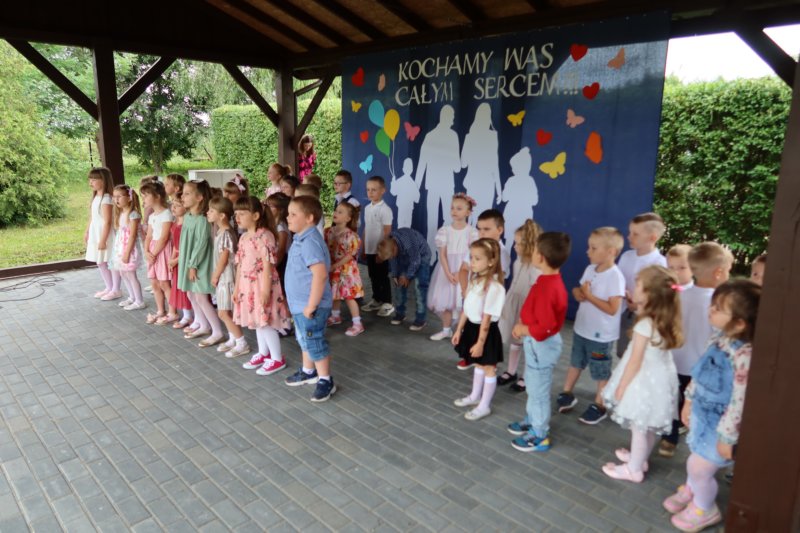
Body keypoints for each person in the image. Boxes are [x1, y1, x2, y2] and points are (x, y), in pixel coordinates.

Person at [664, 280, 760, 532]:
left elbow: (740, 401)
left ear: (739, 323)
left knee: (699, 467)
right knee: (696, 456)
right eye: (713, 304)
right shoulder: (717, 338)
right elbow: (699, 372)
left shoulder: (744, 355)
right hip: (701, 414)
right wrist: (689, 401)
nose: (711, 310)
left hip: (721, 425)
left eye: (718, 308)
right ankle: (693, 489)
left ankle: (704, 508)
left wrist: (727, 438)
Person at [601, 265, 683, 482]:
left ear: (650, 294)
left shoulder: (645, 324)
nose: (634, 286)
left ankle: (633, 470)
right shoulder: (664, 318)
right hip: (661, 380)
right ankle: (640, 458)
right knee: (649, 426)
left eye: (638, 284)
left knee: (639, 428)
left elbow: (635, 360)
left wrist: (621, 386)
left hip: (642, 380)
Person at [659, 242, 733, 458]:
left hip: (674, 358)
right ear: (718, 272)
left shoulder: (680, 294)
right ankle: (696, 442)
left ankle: (669, 438)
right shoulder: (719, 303)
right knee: (692, 402)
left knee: (672, 399)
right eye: (728, 270)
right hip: (700, 367)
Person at [507, 232, 571, 452]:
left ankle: (539, 434)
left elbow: (544, 328)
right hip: (536, 344)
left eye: (534, 250)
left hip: (541, 345)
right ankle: (532, 419)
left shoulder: (548, 287)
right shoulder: (547, 280)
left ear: (541, 257)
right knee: (533, 387)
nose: (531, 253)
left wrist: (523, 328)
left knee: (538, 392)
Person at [557, 227, 626, 425]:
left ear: (611, 251)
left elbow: (613, 308)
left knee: (600, 370)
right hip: (582, 329)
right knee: (575, 361)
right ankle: (567, 392)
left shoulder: (615, 277)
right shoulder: (590, 269)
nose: (588, 252)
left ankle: (600, 404)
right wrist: (578, 293)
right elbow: (580, 290)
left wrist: (589, 296)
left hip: (600, 336)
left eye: (594, 248)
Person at [283, 196, 337, 401]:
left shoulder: (310, 242)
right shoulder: (301, 238)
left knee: (314, 341)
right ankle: (308, 372)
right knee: (305, 339)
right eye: (288, 213)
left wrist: (311, 305)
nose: (288, 217)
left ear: (309, 218)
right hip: (301, 305)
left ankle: (325, 380)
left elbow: (320, 275)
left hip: (311, 306)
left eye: (293, 214)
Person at [235, 197, 292, 375]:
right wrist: (237, 288)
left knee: (265, 322)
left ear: (255, 215)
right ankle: (263, 353)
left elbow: (268, 265)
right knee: (257, 321)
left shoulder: (265, 236)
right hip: (248, 286)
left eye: (242, 213)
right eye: (236, 214)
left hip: (262, 285)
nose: (237, 217)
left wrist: (266, 290)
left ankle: (277, 358)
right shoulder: (243, 237)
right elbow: (240, 264)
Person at [452, 239, 507, 421]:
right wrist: (459, 330)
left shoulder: (494, 287)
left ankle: (484, 406)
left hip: (486, 333)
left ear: (491, 261)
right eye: (471, 258)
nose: (472, 262)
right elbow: (466, 309)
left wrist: (480, 343)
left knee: (489, 368)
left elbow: (487, 319)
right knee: (477, 364)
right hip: (472, 328)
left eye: (477, 259)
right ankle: (475, 396)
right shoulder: (474, 280)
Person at [455, 209, 510, 368]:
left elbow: (498, 279)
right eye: (479, 229)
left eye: (486, 229)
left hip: (486, 302)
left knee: (485, 331)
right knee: (470, 328)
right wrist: (466, 291)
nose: (481, 233)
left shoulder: (502, 254)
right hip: (474, 294)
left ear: (500, 230)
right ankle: (469, 355)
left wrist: (484, 297)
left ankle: (487, 359)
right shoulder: (477, 247)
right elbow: (463, 269)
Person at [497, 220, 542, 392]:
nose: (515, 246)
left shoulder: (536, 267)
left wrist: (527, 315)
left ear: (530, 245)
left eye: (519, 243)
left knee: (528, 344)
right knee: (515, 340)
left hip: (527, 309)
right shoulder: (519, 261)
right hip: (514, 303)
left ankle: (526, 376)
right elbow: (514, 284)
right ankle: (511, 371)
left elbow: (535, 293)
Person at [179, 180, 224, 347]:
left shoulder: (203, 220)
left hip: (200, 263)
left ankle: (217, 331)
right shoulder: (187, 217)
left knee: (201, 296)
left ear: (199, 198)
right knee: (191, 294)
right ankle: (204, 325)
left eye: (187, 194)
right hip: (189, 261)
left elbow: (201, 244)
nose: (182, 197)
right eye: (183, 193)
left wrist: (193, 265)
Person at [428, 193, 479, 342]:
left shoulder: (472, 232)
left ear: (468, 212)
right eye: (452, 208)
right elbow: (442, 255)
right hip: (447, 269)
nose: (454, 211)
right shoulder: (445, 231)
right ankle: (446, 330)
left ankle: (461, 331)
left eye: (459, 208)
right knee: (446, 302)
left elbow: (473, 254)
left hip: (465, 269)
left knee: (463, 301)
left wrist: (461, 272)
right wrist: (448, 273)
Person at [616, 212, 667, 357]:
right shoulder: (626, 256)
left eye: (635, 234)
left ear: (652, 238)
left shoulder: (660, 263)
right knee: (622, 353)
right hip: (624, 313)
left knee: (639, 354)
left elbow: (659, 297)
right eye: (630, 232)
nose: (629, 236)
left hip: (645, 318)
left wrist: (639, 305)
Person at [415, 105, 461, 257]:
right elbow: (457, 167)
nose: (453, 120)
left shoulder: (430, 136)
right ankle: (446, 252)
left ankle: (432, 253)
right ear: (447, 117)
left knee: (432, 219)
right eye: (452, 117)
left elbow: (422, 163)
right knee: (448, 218)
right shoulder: (452, 136)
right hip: (446, 183)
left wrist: (416, 186)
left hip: (433, 184)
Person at [207, 197, 249, 357]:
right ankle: (233, 338)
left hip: (226, 277)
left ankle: (241, 342)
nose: (208, 213)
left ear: (222, 215)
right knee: (225, 312)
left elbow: (224, 259)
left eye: (211, 210)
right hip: (223, 277)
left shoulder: (226, 233)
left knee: (224, 312)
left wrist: (215, 275)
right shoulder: (220, 231)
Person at [376, 228, 431, 332]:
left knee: (419, 288)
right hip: (403, 256)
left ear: (395, 249)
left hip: (421, 256)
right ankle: (400, 314)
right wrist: (395, 276)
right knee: (399, 286)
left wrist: (407, 276)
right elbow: (393, 261)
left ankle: (421, 319)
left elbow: (415, 260)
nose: (391, 258)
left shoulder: (408, 242)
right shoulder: (389, 244)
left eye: (391, 256)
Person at [325, 202, 365, 336]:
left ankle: (357, 323)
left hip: (347, 271)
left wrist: (334, 266)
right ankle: (335, 315)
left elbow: (350, 255)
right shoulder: (328, 232)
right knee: (335, 293)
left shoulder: (352, 236)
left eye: (340, 212)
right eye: (336, 210)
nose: (335, 213)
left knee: (348, 296)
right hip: (333, 269)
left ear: (348, 218)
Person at [141, 180, 176, 324]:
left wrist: (153, 254)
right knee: (154, 283)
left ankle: (172, 312)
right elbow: (149, 236)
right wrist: (146, 251)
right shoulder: (152, 216)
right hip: (152, 251)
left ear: (157, 196)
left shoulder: (166, 214)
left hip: (162, 251)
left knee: (164, 283)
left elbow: (164, 237)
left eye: (146, 195)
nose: (143, 199)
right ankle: (161, 310)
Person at [461, 103, 501, 225]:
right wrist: (499, 190)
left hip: (474, 182)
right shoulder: (492, 136)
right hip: (488, 183)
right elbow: (495, 164)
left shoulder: (470, 137)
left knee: (472, 219)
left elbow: (463, 163)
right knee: (485, 219)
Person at [85, 167, 121, 300]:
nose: (91, 182)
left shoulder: (106, 199)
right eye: (90, 179)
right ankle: (109, 287)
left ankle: (116, 289)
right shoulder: (96, 197)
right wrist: (87, 231)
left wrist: (103, 240)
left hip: (105, 234)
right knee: (100, 261)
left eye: (94, 179)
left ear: (103, 181)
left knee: (111, 261)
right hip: (96, 233)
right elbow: (92, 217)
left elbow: (107, 222)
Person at [361, 176, 395, 318]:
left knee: (382, 276)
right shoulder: (367, 208)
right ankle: (377, 299)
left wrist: (382, 253)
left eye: (374, 190)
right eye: (368, 190)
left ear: (383, 190)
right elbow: (366, 228)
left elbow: (387, 232)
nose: (370, 192)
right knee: (373, 275)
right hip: (369, 249)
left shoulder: (385, 210)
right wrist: (364, 248)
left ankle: (387, 303)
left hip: (380, 251)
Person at [111, 184, 145, 311]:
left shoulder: (133, 215)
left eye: (119, 196)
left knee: (131, 274)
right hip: (121, 248)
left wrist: (127, 253)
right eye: (114, 197)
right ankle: (132, 297)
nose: (116, 199)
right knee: (123, 273)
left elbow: (132, 236)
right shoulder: (121, 213)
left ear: (129, 198)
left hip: (129, 249)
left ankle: (139, 301)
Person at [500, 147, 539, 248]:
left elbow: (504, 197)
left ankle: (510, 257)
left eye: (514, 167)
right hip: (521, 213)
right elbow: (534, 201)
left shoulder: (512, 180)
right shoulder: (530, 181)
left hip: (515, 213)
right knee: (519, 241)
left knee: (512, 240)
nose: (512, 170)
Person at [168, 192, 194, 330]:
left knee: (185, 287)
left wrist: (176, 260)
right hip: (177, 257)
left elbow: (187, 246)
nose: (173, 208)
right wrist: (172, 259)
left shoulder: (187, 223)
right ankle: (186, 314)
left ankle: (190, 315)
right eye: (173, 205)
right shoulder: (175, 222)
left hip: (184, 258)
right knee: (178, 286)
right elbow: (175, 245)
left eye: (177, 205)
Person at [266, 192, 292, 287]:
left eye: (271, 206)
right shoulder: (273, 224)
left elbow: (281, 250)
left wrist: (274, 266)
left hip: (282, 261)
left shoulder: (281, 227)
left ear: (280, 210)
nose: (268, 208)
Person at [390, 158, 419, 229]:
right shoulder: (413, 184)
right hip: (408, 209)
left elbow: (393, 192)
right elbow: (417, 199)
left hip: (403, 208)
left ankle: (401, 236)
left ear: (403, 169)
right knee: (407, 227)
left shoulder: (400, 181)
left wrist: (393, 182)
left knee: (401, 226)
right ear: (412, 170)